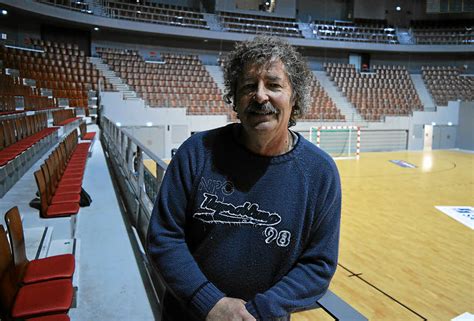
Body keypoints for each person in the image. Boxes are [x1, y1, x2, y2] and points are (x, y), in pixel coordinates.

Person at [147, 36, 341, 321]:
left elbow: (318, 264)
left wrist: (261, 310)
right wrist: (210, 303)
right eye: (249, 86)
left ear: (295, 97)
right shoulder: (196, 153)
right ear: (234, 99)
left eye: (274, 85)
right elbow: (164, 237)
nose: (260, 96)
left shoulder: (320, 172)